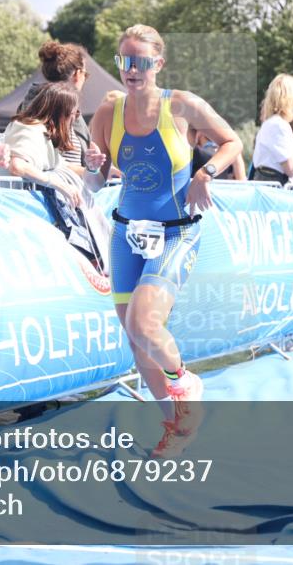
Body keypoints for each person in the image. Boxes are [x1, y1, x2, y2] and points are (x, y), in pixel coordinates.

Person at [86, 24, 242, 457]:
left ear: (158, 63)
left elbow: (232, 141)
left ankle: (185, 382)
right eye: (124, 61)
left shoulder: (183, 105)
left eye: (140, 61)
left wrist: (205, 172)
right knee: (137, 343)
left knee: (144, 324)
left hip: (176, 231)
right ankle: (178, 424)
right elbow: (97, 177)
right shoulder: (108, 112)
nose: (131, 69)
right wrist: (93, 164)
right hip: (126, 233)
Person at [0, 82, 110, 270]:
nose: (75, 119)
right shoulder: (29, 129)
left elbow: (61, 166)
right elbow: (18, 166)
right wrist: (61, 185)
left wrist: (92, 168)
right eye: (74, 113)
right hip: (16, 217)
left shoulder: (42, 131)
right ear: (61, 112)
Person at [15, 41, 94, 176]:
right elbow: (54, 164)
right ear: (77, 74)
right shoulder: (50, 110)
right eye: (85, 75)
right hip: (54, 187)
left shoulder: (34, 107)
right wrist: (95, 173)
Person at [249, 74, 293, 185]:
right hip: (272, 187)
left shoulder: (273, 123)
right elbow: (291, 169)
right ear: (292, 100)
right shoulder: (279, 125)